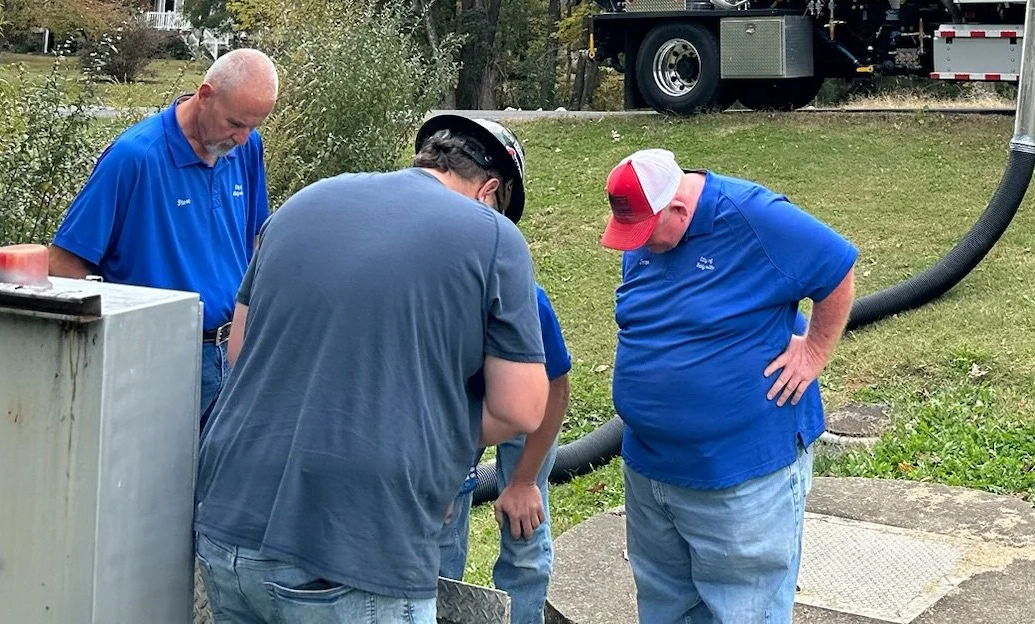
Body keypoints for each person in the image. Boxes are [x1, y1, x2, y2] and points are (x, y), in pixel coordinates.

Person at [195, 116, 549, 624]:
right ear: (490, 190)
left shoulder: (303, 203)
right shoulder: (491, 237)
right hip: (355, 547)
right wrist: (429, 439)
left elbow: (240, 351)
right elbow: (523, 405)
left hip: (229, 526)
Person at [602, 148, 857, 624]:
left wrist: (814, 352)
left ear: (678, 210)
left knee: (743, 610)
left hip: (739, 473)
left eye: (644, 234)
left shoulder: (755, 217)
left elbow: (837, 269)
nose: (637, 246)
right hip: (650, 469)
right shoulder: (651, 231)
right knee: (664, 606)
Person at [48, 46, 277, 421]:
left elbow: (255, 243)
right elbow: (65, 264)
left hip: (233, 353)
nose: (242, 137)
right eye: (235, 123)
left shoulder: (247, 148)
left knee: (224, 477)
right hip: (161, 359)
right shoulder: (134, 157)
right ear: (205, 96)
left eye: (254, 126)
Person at [428, 115, 573, 624]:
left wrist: (525, 480)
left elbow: (552, 392)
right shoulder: (404, 270)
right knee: (435, 541)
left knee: (524, 526)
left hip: (517, 407)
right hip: (441, 423)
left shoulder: (516, 293)